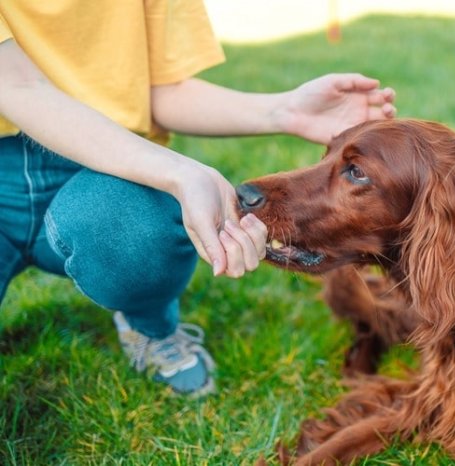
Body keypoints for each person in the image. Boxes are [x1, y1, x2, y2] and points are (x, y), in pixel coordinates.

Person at [0, 1, 396, 397]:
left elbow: (160, 88)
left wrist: (283, 110)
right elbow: (15, 85)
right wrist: (177, 171)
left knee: (128, 225)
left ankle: (150, 326)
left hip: (105, 174)